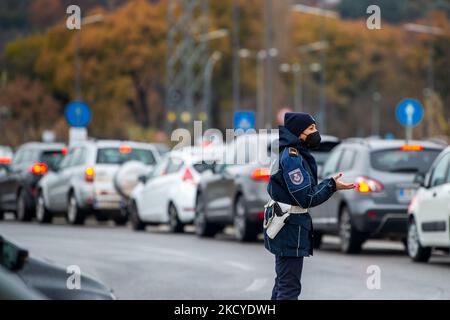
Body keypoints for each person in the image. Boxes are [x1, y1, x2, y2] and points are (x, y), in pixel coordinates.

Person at [264, 112, 355, 300]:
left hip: (286, 225)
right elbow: (306, 197)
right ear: (298, 133)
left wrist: (329, 184)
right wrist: (331, 186)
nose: (316, 132)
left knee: (282, 282)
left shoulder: (291, 153)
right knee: (289, 288)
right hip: (289, 227)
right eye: (311, 129)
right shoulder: (291, 157)